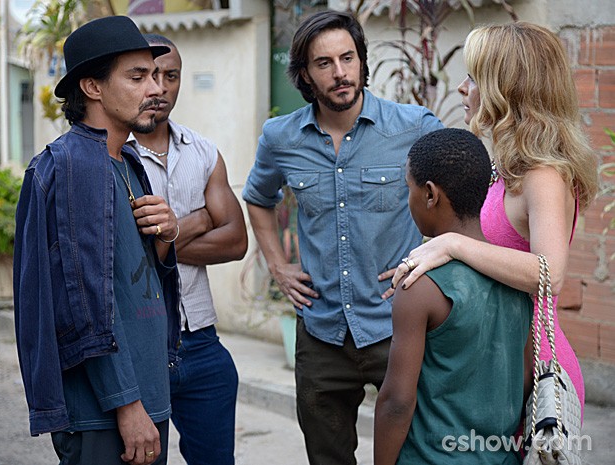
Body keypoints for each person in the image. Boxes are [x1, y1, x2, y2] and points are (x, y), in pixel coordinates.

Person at [242, 10, 443, 465]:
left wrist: (434, 258)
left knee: (415, 454)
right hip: (320, 329)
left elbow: (463, 199)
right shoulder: (280, 137)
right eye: (324, 63)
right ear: (305, 75)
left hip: (399, 325)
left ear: (362, 61)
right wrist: (277, 264)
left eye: (348, 58)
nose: (340, 73)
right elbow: (258, 198)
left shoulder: (415, 127)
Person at [392, 22, 599, 419]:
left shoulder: (543, 176)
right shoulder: (509, 167)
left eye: (473, 78)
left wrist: (453, 244)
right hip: (500, 365)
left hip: (534, 375)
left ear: (506, 88)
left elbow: (550, 274)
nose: (461, 88)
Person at [13, 16, 182, 465]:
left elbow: (131, 277)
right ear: (92, 87)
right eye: (137, 76)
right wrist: (125, 404)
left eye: (157, 75)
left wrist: (166, 235)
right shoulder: (71, 166)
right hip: (103, 412)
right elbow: (80, 302)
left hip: (145, 395)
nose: (156, 89)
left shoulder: (127, 159)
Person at [374, 128, 533, 465]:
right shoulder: (517, 275)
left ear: (430, 194)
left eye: (409, 189)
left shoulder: (419, 284)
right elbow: (523, 379)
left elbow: (397, 402)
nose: (409, 199)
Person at [128, 34, 247, 465]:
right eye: (147, 75)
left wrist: (169, 233)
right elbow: (130, 260)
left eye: (170, 76)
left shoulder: (202, 152)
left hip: (201, 341)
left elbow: (236, 240)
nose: (158, 88)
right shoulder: (111, 154)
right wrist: (200, 220)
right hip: (138, 347)